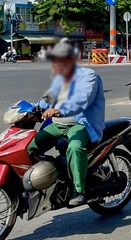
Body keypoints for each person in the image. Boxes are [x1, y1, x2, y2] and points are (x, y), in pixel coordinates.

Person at [27, 40, 106, 206]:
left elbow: (81, 100)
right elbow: (48, 99)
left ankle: (79, 190)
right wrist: (31, 109)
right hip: (58, 124)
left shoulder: (89, 77)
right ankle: (53, 174)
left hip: (81, 124)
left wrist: (59, 110)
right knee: (31, 148)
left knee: (75, 147)